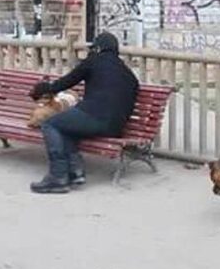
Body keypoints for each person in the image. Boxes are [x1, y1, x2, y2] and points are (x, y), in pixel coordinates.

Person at [29, 32, 138, 194]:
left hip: (93, 117)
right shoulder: (130, 75)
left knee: (50, 124)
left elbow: (66, 82)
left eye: (93, 48)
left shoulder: (94, 61)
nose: (91, 51)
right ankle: (76, 172)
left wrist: (43, 89)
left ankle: (57, 176)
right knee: (67, 128)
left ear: (98, 48)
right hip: (114, 128)